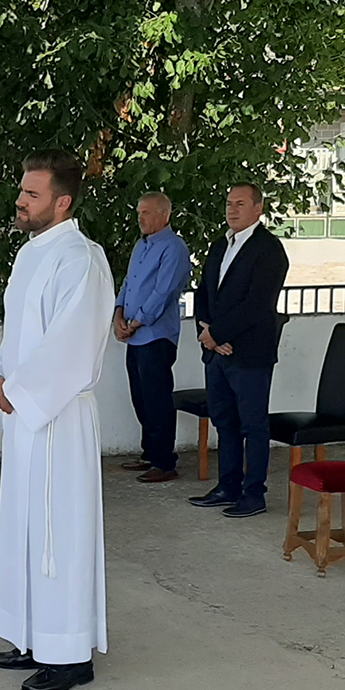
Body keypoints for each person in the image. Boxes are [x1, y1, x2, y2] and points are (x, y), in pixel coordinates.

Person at [0, 150, 116, 690]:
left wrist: (20, 391)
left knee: (58, 534)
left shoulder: (81, 260)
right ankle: (34, 637)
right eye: (22, 191)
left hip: (58, 420)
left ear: (62, 202)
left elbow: (73, 346)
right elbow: (18, 334)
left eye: (32, 194)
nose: (20, 200)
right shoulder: (31, 255)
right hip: (26, 416)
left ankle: (69, 654)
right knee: (25, 528)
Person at [188, 183, 289, 518]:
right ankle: (227, 486)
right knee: (224, 422)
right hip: (217, 352)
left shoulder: (269, 250)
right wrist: (207, 331)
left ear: (258, 208)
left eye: (241, 204)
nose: (232, 210)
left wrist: (218, 333)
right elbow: (203, 292)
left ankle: (253, 494)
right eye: (229, 203)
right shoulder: (220, 245)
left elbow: (257, 305)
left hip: (249, 355)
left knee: (253, 425)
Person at [114, 192, 192, 483]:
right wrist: (118, 315)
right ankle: (149, 453)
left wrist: (136, 321)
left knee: (157, 398)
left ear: (165, 214)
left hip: (156, 336)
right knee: (140, 397)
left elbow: (164, 292)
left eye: (147, 212)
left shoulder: (174, 248)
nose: (141, 219)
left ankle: (164, 461)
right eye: (139, 213)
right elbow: (128, 283)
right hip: (134, 335)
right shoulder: (140, 246)